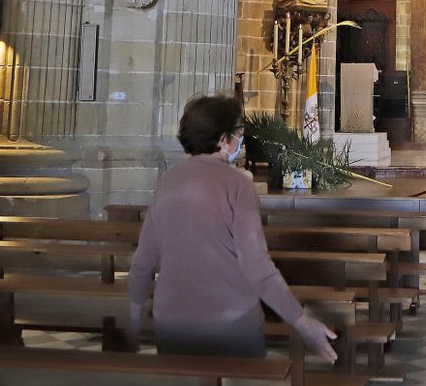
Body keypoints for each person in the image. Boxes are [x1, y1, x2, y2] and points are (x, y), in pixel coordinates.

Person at [127, 95, 338, 362]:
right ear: (223, 139)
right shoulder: (238, 186)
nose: (241, 139)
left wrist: (133, 322)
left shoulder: (167, 181)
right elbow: (257, 268)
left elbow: (143, 262)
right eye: (239, 133)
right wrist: (302, 323)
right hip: (231, 323)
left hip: (172, 323)